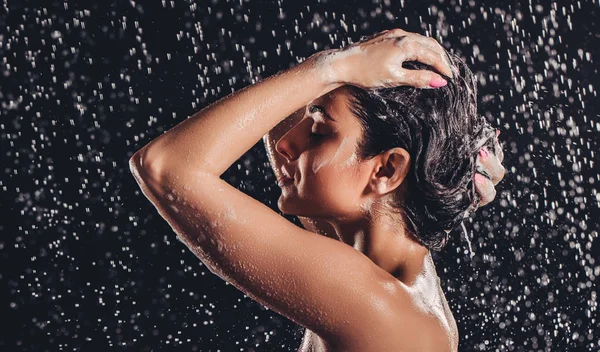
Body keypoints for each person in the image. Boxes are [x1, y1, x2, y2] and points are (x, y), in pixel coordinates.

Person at [130, 28, 505, 351]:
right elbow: (280, 118)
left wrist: (332, 66)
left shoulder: (375, 304)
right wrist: (445, 163)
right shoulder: (381, 258)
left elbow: (166, 168)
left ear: (388, 169)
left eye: (320, 131)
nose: (286, 145)